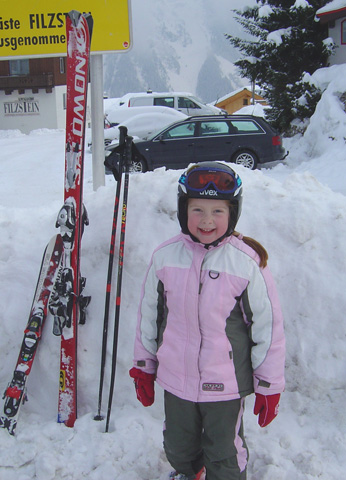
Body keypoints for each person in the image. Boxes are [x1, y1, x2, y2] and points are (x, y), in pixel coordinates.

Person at [130, 161, 286, 480]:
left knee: (224, 452)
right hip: (176, 378)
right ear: (183, 211)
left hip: (225, 383)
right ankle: (192, 472)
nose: (206, 220)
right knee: (177, 447)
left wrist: (269, 385)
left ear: (233, 214)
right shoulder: (164, 257)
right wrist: (144, 367)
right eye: (197, 209)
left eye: (217, 211)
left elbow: (268, 328)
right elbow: (149, 316)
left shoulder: (245, 263)